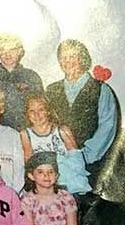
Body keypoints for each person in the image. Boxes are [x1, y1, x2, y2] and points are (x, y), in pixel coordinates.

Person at [45, 39, 121, 200]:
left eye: (73, 56)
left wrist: (85, 155)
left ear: (82, 58)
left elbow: (107, 126)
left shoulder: (101, 89)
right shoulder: (51, 90)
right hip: (58, 163)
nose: (68, 62)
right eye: (63, 58)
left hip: (89, 162)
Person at [20, 93, 91, 195]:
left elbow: (78, 162)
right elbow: (29, 164)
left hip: (68, 185)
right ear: (27, 114)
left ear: (48, 111)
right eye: (32, 111)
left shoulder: (62, 130)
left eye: (41, 110)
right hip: (43, 187)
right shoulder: (25, 134)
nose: (37, 115)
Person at [0, 33, 43, 131]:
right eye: (2, 50)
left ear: (20, 51)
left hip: (27, 131)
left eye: (12, 49)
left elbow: (41, 109)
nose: (7, 54)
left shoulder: (31, 76)